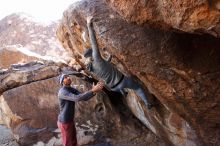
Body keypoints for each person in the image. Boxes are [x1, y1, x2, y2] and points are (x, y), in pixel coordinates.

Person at [84, 16, 154, 109]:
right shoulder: (96, 58)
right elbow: (93, 42)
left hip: (113, 88)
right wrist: (89, 24)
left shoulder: (91, 68)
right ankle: (148, 103)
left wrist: (109, 57)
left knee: (114, 80)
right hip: (122, 81)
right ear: (92, 54)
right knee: (137, 87)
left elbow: (105, 67)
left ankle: (123, 92)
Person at [57, 73, 104, 146]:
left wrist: (94, 91)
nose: (68, 77)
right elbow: (77, 98)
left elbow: (83, 97)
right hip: (65, 122)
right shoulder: (62, 92)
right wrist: (92, 90)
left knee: (73, 140)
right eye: (66, 77)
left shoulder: (71, 89)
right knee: (68, 143)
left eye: (68, 76)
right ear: (62, 81)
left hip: (69, 120)